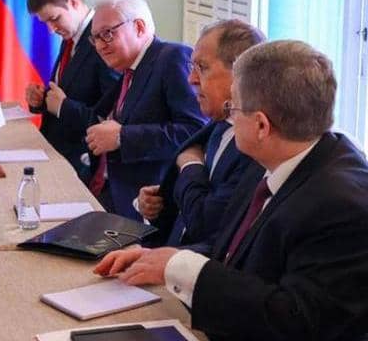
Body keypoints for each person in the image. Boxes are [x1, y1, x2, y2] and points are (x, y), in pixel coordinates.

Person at [94, 40, 368, 341]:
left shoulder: (342, 205)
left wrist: (183, 268)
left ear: (261, 126)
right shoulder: (274, 158)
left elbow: (296, 319)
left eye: (233, 108)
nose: (229, 119)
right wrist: (165, 259)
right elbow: (233, 250)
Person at [138, 19, 265, 247]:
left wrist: (190, 166)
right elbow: (199, 196)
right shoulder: (218, 125)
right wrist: (161, 203)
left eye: (202, 67)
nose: (191, 79)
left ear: (240, 72)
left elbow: (204, 225)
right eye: (192, 67)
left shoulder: (256, 145)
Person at [85, 0, 205, 218]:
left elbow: (195, 131)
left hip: (153, 205)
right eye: (95, 38)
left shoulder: (172, 57)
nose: (100, 45)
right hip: (116, 196)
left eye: (108, 34)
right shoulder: (129, 70)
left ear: (139, 27)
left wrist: (122, 137)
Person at [25, 0, 119, 184]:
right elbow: (73, 92)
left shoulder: (102, 41)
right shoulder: (71, 38)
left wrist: (62, 106)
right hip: (55, 154)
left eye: (54, 19)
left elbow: (110, 117)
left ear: (74, 2)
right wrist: (41, 100)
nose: (51, 29)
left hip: (83, 167)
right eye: (46, 23)